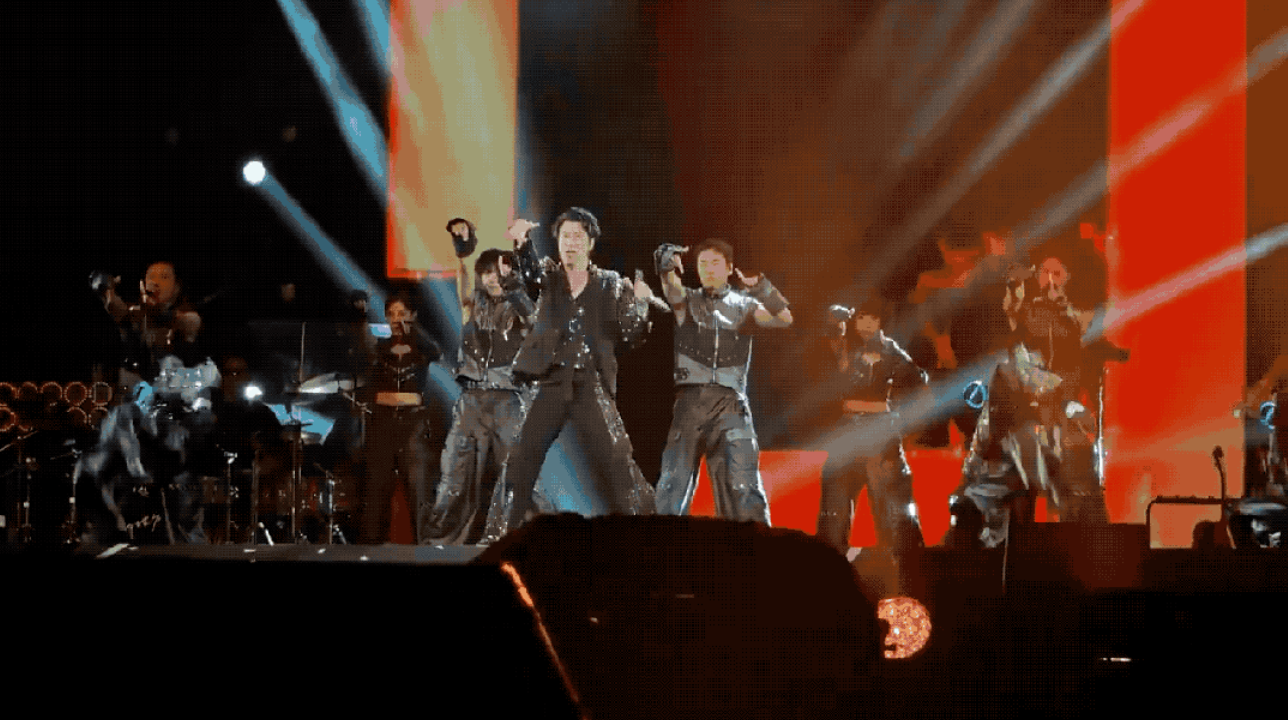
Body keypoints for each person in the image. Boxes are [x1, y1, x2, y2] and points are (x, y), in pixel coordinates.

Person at [497, 207, 656, 531]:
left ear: (590, 243)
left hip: (591, 381)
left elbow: (631, 334)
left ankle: (644, 533)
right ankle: (502, 535)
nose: (570, 243)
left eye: (577, 236)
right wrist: (523, 243)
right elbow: (530, 275)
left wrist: (641, 302)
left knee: (617, 461)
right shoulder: (548, 276)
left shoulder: (610, 283)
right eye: (565, 236)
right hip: (551, 380)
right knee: (522, 457)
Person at [947, 246, 1108, 547]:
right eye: (1044, 273)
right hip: (1022, 420)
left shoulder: (1072, 319)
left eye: (1056, 273)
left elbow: (1077, 365)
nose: (1050, 280)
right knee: (1016, 496)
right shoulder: (1026, 315)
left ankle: (1074, 548)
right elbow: (1013, 339)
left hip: (1056, 418)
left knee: (1067, 495)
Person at [652, 238, 792, 523]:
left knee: (744, 483)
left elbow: (785, 318)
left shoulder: (745, 305)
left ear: (729, 268)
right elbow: (670, 287)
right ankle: (662, 546)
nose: (708, 269)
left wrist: (762, 287)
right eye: (702, 263)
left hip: (732, 405)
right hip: (690, 404)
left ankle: (756, 546)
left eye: (715, 262)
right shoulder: (687, 300)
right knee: (673, 483)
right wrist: (666, 263)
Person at [78, 260, 217, 543]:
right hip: (137, 424)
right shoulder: (134, 316)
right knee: (90, 470)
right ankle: (106, 531)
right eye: (150, 276)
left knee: (181, 522)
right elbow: (116, 308)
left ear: (176, 288)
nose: (155, 281)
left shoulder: (187, 318)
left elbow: (186, 325)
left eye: (164, 277)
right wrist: (106, 289)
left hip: (175, 422)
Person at [426, 219, 542, 544]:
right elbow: (464, 281)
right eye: (486, 272)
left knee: (519, 473)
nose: (492, 278)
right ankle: (440, 547)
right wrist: (463, 249)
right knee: (455, 475)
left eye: (498, 271)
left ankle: (534, 538)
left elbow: (534, 319)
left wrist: (514, 283)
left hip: (509, 399)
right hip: (472, 400)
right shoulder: (473, 305)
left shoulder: (519, 304)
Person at [816, 297, 929, 559]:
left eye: (872, 318)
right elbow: (829, 340)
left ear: (880, 322)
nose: (865, 324)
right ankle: (830, 566)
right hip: (846, 436)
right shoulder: (846, 346)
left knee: (893, 516)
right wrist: (835, 319)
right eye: (861, 318)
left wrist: (892, 412)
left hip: (880, 437)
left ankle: (901, 567)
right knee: (834, 512)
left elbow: (920, 385)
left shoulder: (892, 352)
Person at [359, 293, 442, 544]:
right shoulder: (380, 349)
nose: (396, 319)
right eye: (392, 314)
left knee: (418, 491)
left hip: (413, 427)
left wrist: (412, 332)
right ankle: (371, 552)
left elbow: (435, 353)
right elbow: (372, 389)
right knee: (376, 492)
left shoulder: (422, 349)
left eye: (402, 313)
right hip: (383, 426)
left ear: (412, 315)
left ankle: (424, 552)